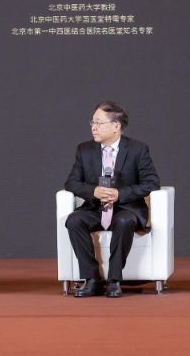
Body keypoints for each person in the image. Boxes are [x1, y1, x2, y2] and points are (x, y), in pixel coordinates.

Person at [64, 101, 160, 298]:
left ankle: (114, 280)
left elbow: (152, 183)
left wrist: (119, 194)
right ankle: (92, 280)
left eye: (99, 122)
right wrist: (94, 191)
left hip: (126, 208)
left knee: (124, 221)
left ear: (116, 126)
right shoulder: (84, 149)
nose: (94, 127)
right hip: (96, 209)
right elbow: (71, 183)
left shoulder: (138, 149)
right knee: (74, 220)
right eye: (92, 122)